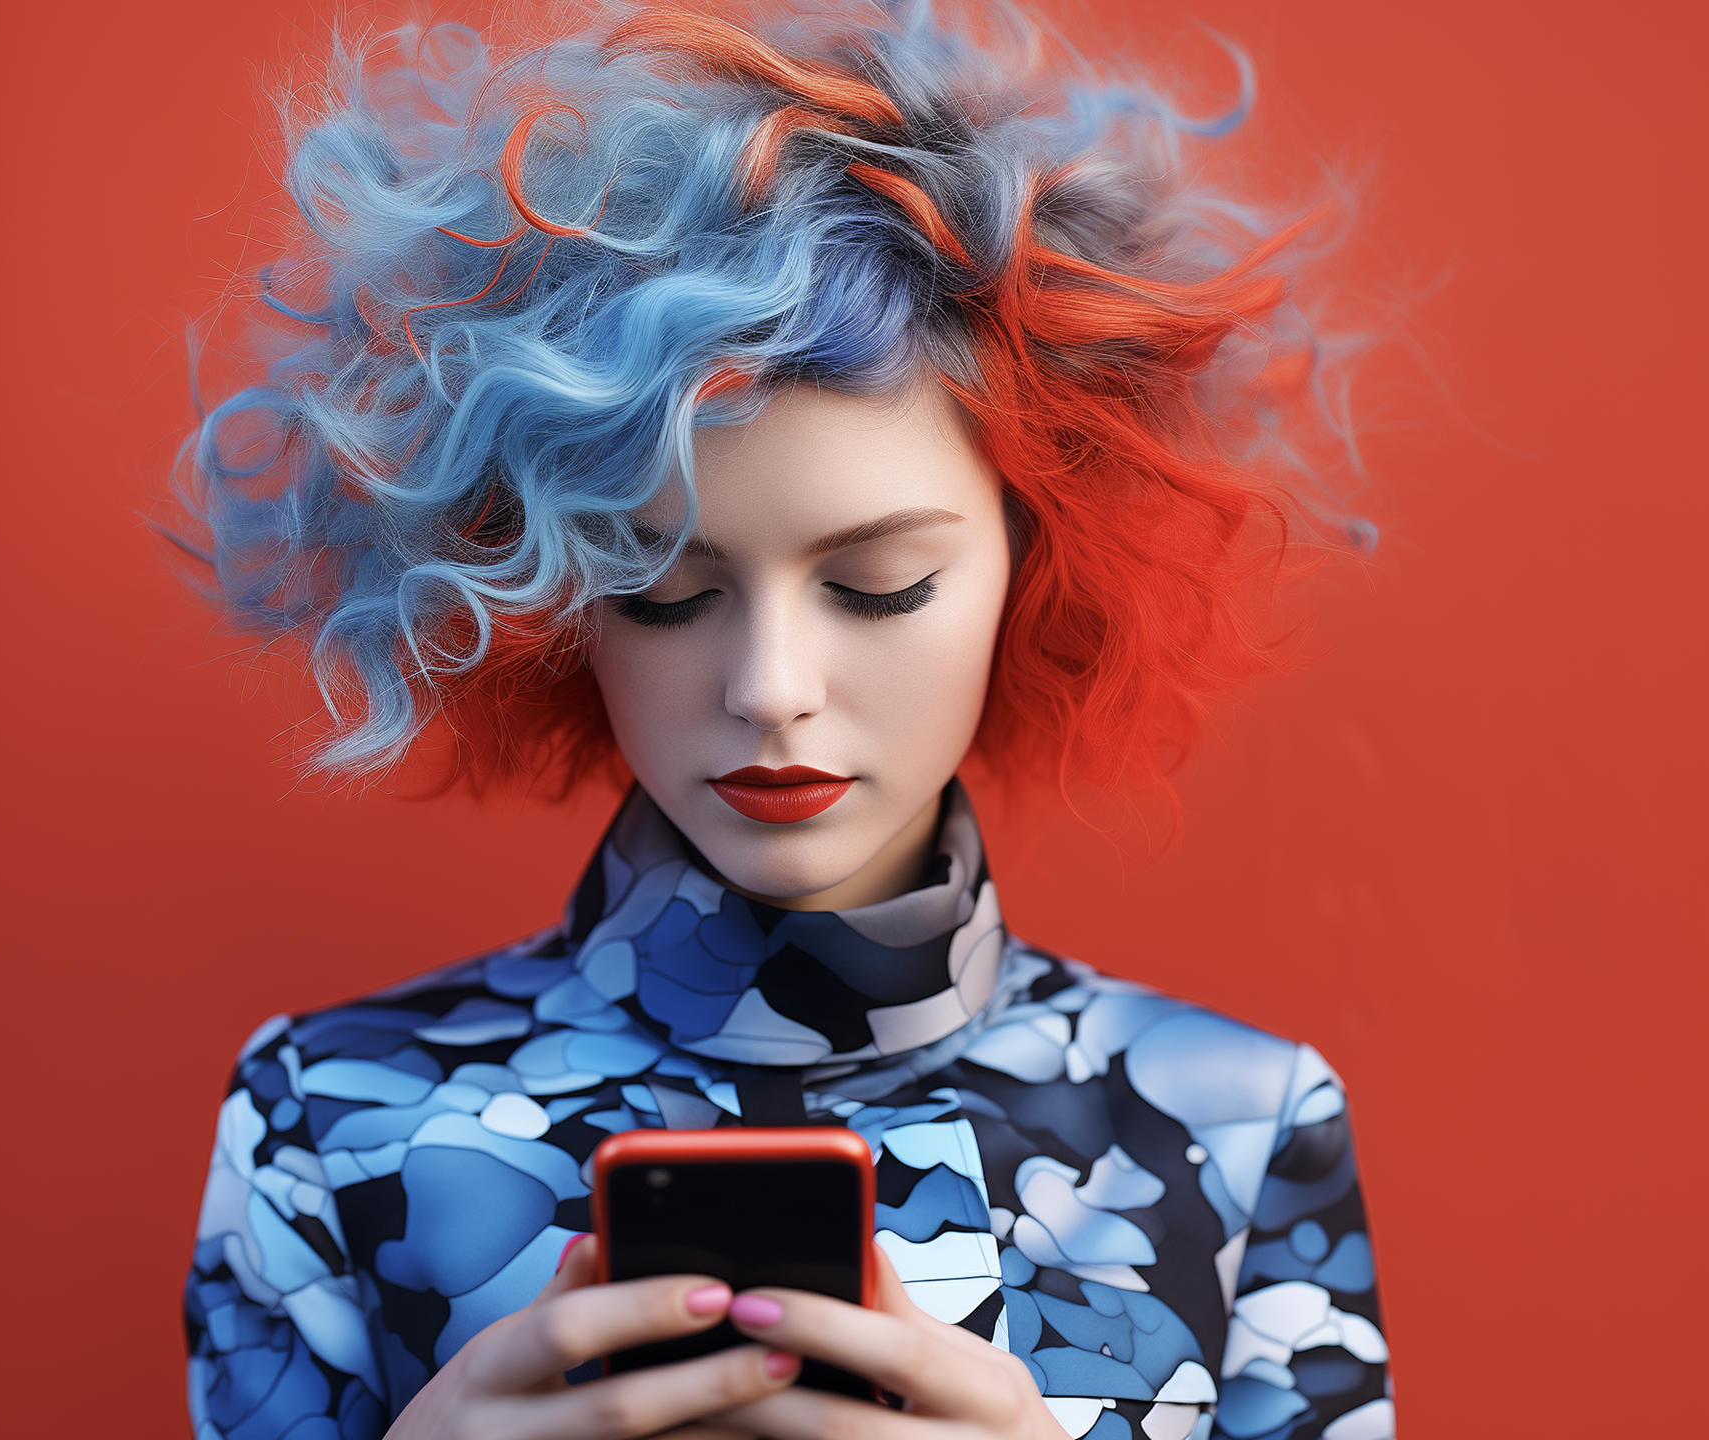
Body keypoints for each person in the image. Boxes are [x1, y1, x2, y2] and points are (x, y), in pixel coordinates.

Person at [179, 5, 1392, 1438]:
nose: (770, 687)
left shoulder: (1242, 1126)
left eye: (880, 585)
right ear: (549, 586)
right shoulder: (326, 1115)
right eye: (664, 590)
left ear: (1035, 558)